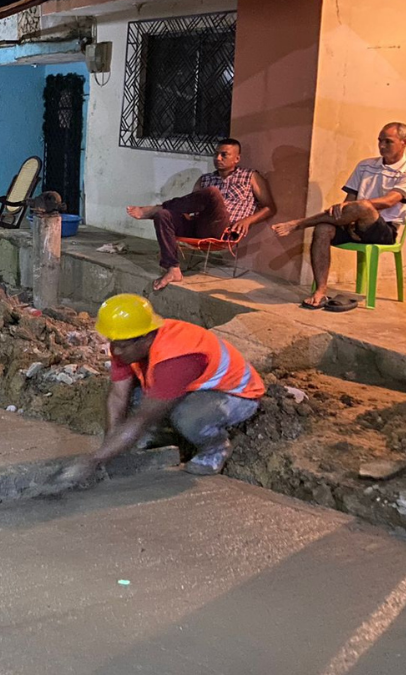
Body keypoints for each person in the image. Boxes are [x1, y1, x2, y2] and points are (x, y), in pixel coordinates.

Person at [57, 294, 265, 484]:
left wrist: (94, 460)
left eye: (123, 344)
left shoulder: (177, 359)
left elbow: (144, 417)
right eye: (113, 342)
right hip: (192, 387)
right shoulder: (127, 344)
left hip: (235, 396)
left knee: (188, 418)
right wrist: (109, 445)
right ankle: (162, 439)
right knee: (136, 399)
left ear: (146, 337)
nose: (116, 350)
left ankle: (215, 449)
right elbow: (118, 396)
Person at [273, 122, 406, 309]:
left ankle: (300, 223)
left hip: (383, 229)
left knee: (365, 206)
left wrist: (358, 207)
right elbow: (348, 201)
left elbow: (389, 201)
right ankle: (320, 291)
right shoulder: (365, 165)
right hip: (353, 222)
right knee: (322, 229)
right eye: (380, 141)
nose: (382, 146)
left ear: (404, 142)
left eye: (388, 142)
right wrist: (347, 210)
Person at [126, 139, 277, 291]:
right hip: (200, 225)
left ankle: (157, 208)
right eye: (216, 154)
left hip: (223, 229)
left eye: (224, 155)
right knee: (163, 216)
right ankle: (173, 269)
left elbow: (270, 207)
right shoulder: (205, 179)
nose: (218, 158)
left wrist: (248, 221)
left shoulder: (250, 176)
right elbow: (190, 205)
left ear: (237, 158)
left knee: (212, 193)